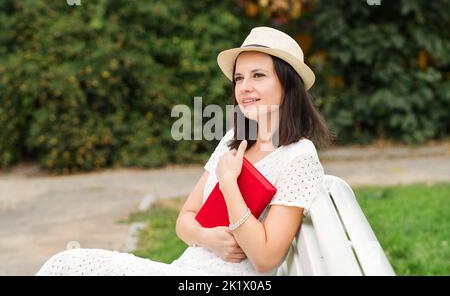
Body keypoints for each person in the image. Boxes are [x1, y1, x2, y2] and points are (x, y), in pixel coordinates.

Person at [35, 26, 333, 276]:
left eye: (258, 75)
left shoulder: (298, 157)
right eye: (239, 78)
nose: (244, 87)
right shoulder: (234, 140)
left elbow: (266, 258)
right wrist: (207, 238)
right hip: (185, 271)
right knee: (67, 264)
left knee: (69, 266)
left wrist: (229, 183)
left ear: (288, 84)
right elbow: (185, 219)